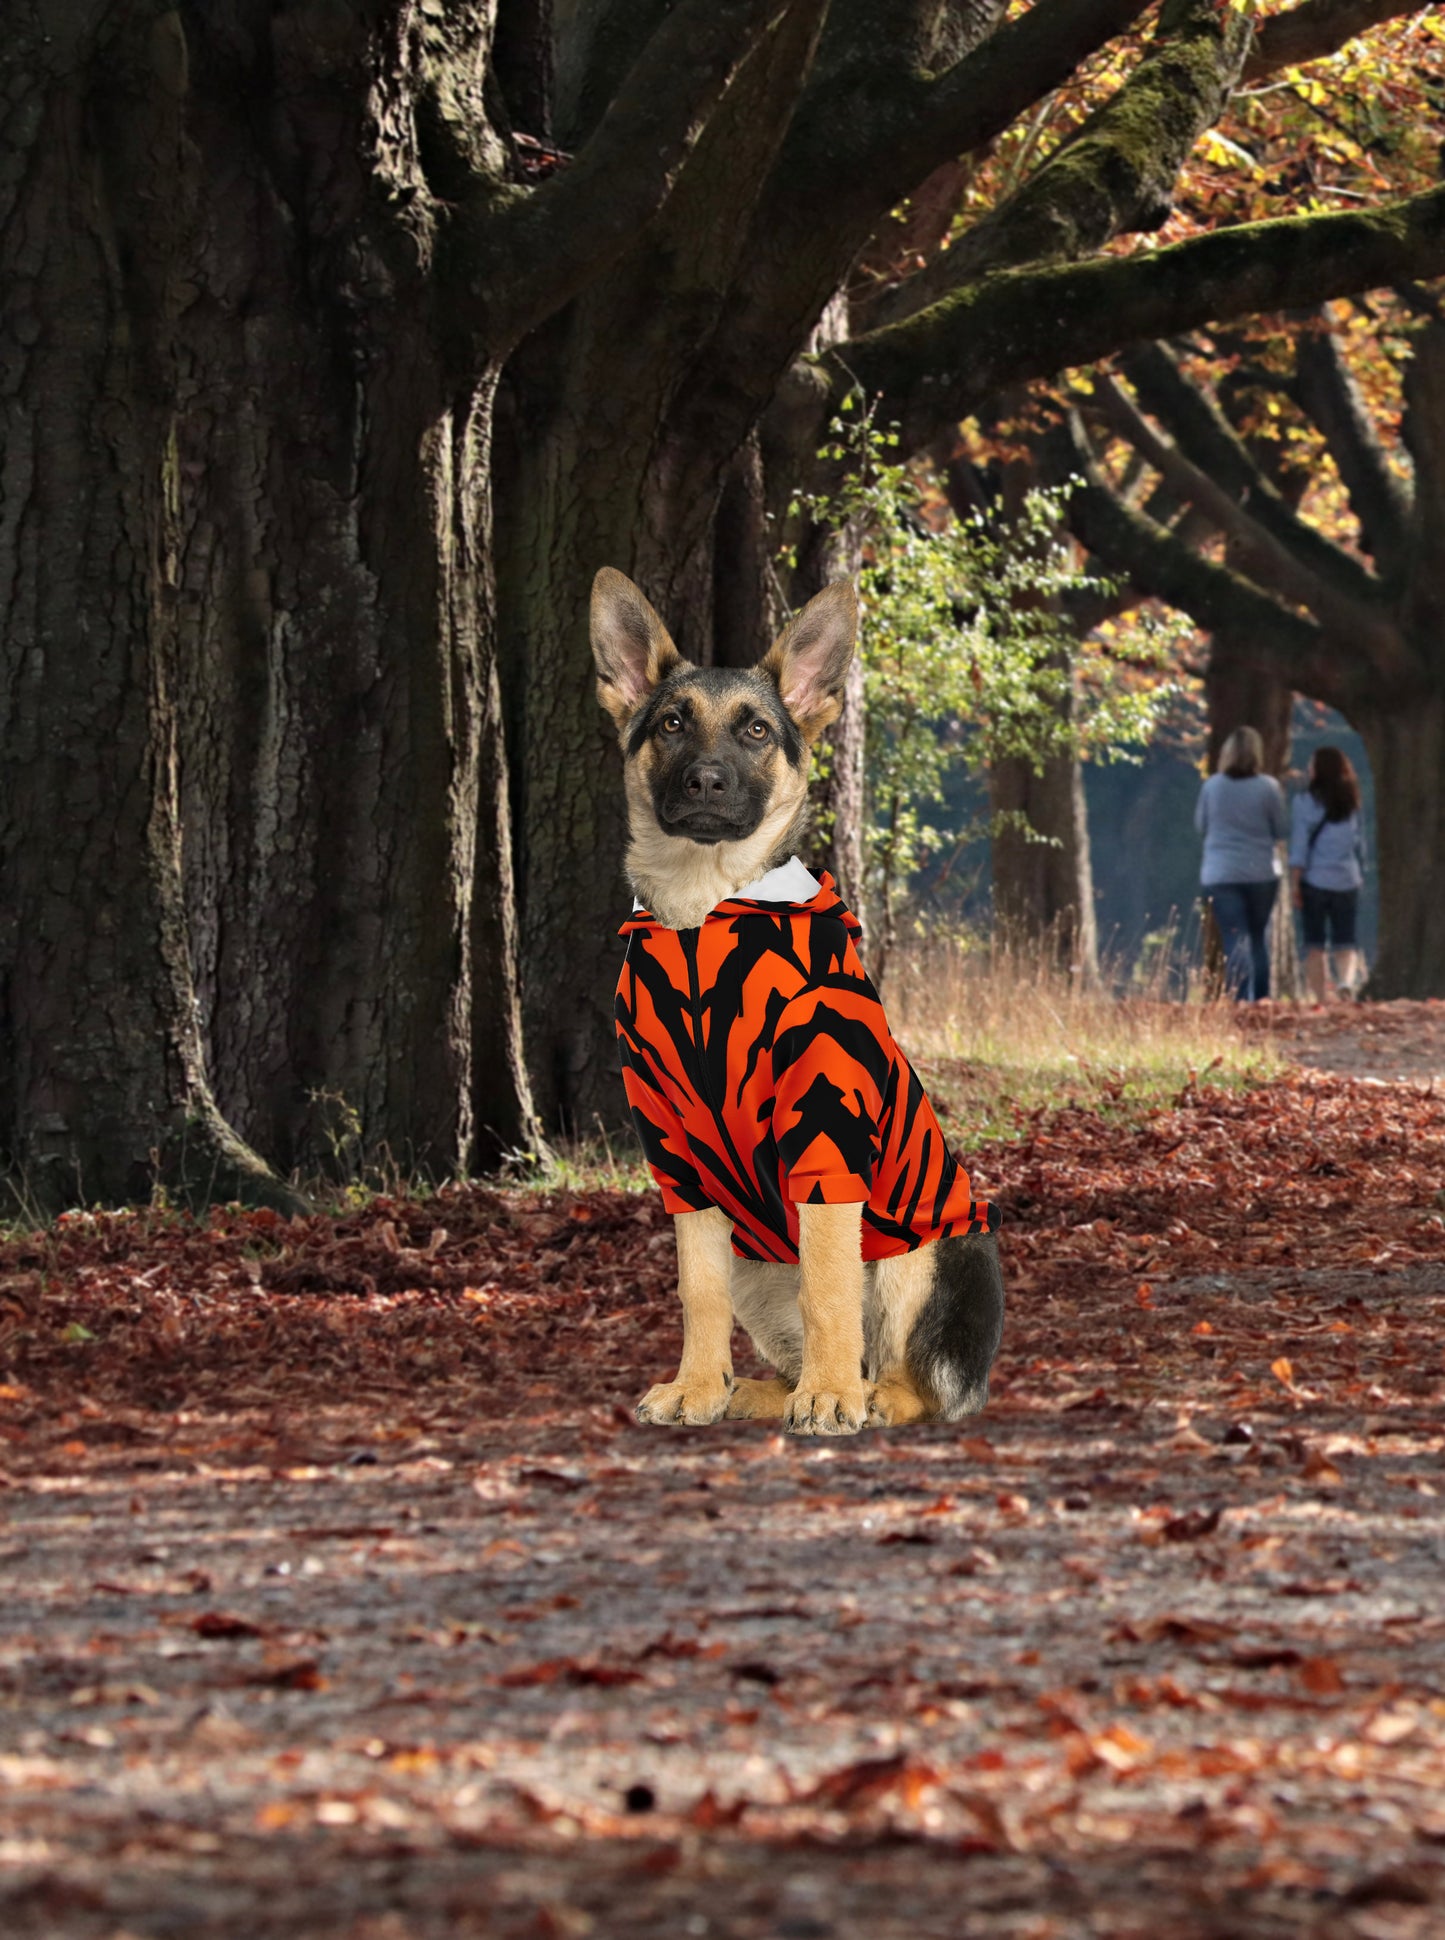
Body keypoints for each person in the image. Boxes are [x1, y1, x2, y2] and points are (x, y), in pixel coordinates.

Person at [1195, 726, 1288, 1001]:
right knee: (1258, 938)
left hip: (1221, 873)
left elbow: (1201, 824)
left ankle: (1238, 997)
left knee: (1234, 937)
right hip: (1260, 872)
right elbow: (1281, 828)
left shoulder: (1212, 787)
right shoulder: (1268, 788)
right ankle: (1260, 998)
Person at [1289, 745, 1366, 1002]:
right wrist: (1360, 873)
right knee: (1346, 941)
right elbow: (1359, 843)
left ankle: (1321, 998)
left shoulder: (1303, 802)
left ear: (1318, 771)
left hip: (1315, 881)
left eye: (1311, 765)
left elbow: (1300, 846)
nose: (1308, 770)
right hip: (1347, 880)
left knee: (1314, 943)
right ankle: (1345, 982)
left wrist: (1295, 883)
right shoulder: (1352, 801)